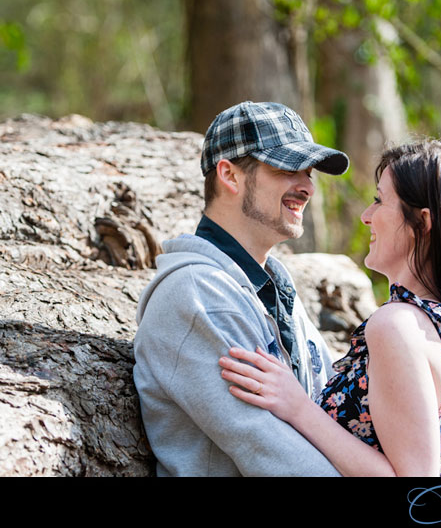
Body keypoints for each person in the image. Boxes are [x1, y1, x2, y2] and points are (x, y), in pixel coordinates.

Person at [219, 140, 441, 476]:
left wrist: (298, 407)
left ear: (422, 222)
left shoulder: (397, 325)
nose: (365, 216)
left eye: (379, 201)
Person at [133, 101, 350, 476]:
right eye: (286, 168)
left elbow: (329, 412)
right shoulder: (197, 295)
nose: (307, 187)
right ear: (230, 175)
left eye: (309, 172)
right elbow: (267, 451)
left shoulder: (275, 288)